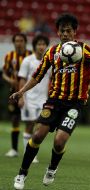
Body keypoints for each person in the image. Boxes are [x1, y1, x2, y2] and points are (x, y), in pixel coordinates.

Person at [10, 13, 90, 190]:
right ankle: (22, 173)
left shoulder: (84, 50)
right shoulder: (52, 52)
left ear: (75, 32)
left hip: (75, 104)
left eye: (68, 31)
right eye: (62, 31)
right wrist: (21, 92)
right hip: (54, 101)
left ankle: (52, 168)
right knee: (38, 135)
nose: (65, 34)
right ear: (58, 33)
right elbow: (37, 76)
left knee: (59, 141)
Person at [18, 34, 50, 164]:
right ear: (34, 46)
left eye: (43, 44)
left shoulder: (49, 61)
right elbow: (22, 79)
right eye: (39, 44)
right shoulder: (27, 61)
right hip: (29, 99)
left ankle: (31, 152)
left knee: (40, 126)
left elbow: (52, 80)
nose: (41, 46)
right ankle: (28, 153)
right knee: (30, 124)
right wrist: (21, 97)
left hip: (43, 99)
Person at [2, 33, 32, 157]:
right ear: (14, 42)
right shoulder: (9, 56)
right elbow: (4, 73)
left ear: (25, 42)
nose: (18, 43)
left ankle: (29, 150)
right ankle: (14, 149)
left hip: (28, 93)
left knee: (30, 120)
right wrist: (10, 80)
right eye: (16, 41)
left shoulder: (31, 56)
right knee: (15, 119)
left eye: (21, 41)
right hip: (13, 92)